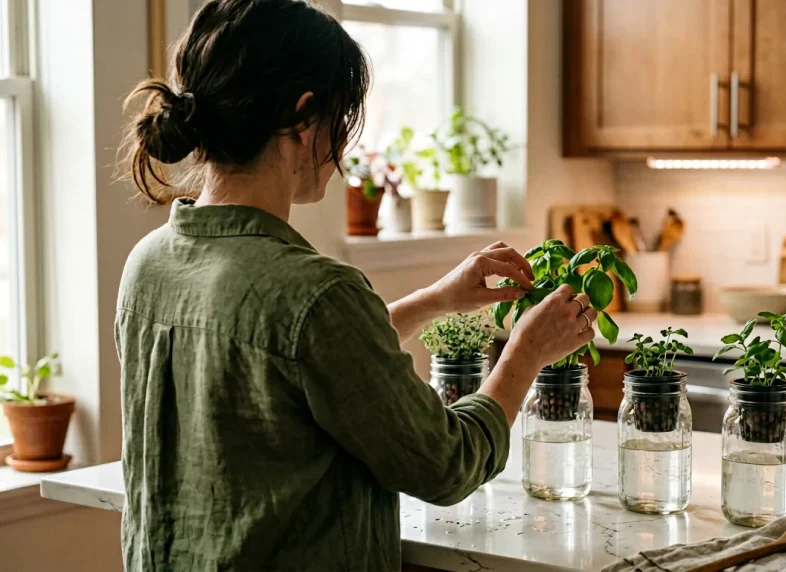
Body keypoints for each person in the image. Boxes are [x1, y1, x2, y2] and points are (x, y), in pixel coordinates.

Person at [115, 1, 596, 570]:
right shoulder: (317, 293)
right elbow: (447, 464)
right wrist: (526, 353)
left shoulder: (148, 264)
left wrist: (438, 299)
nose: (343, 149)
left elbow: (296, 363)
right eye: (342, 119)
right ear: (303, 120)